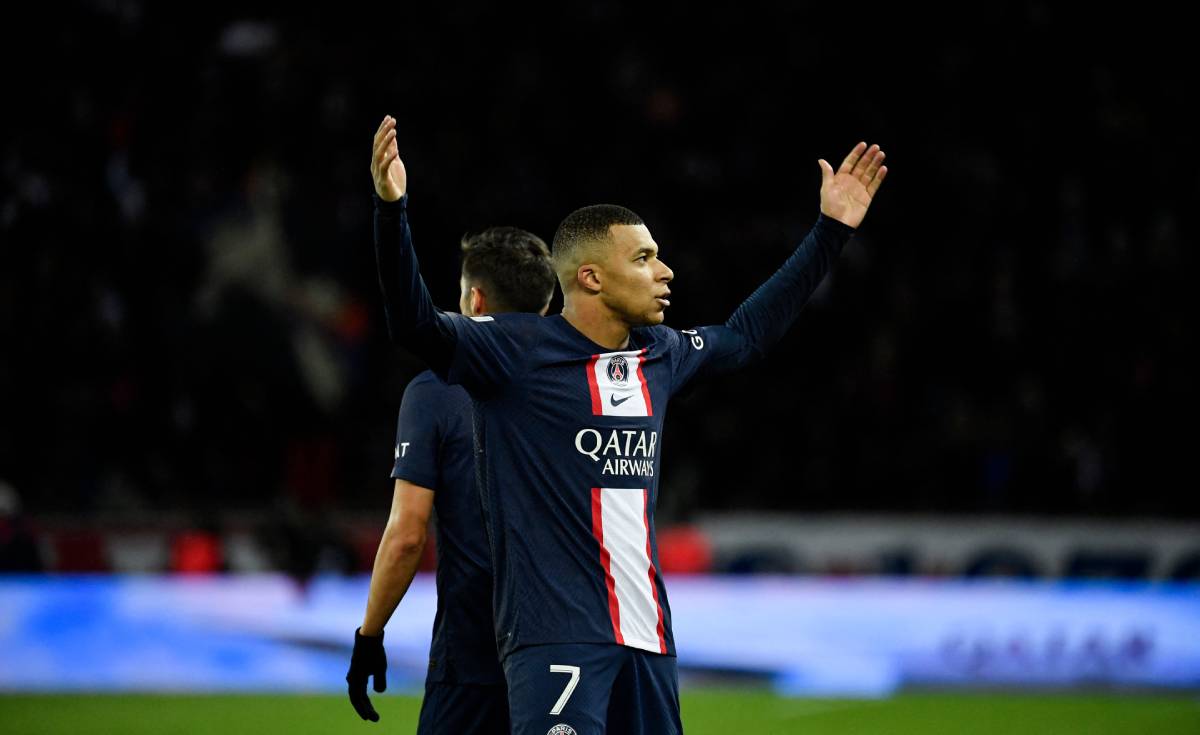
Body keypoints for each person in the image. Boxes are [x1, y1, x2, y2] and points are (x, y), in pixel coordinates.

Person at [369, 114, 886, 734]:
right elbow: (414, 324)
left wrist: (830, 231)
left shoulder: (661, 355)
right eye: (644, 258)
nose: (665, 272)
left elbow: (747, 335)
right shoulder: (514, 353)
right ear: (590, 277)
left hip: (648, 641)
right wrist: (391, 209)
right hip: (553, 641)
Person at [346, 225, 556, 731]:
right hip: (568, 651)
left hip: (473, 658)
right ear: (547, 302)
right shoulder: (585, 382)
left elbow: (407, 535)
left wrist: (369, 636)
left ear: (475, 299)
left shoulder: (437, 391)